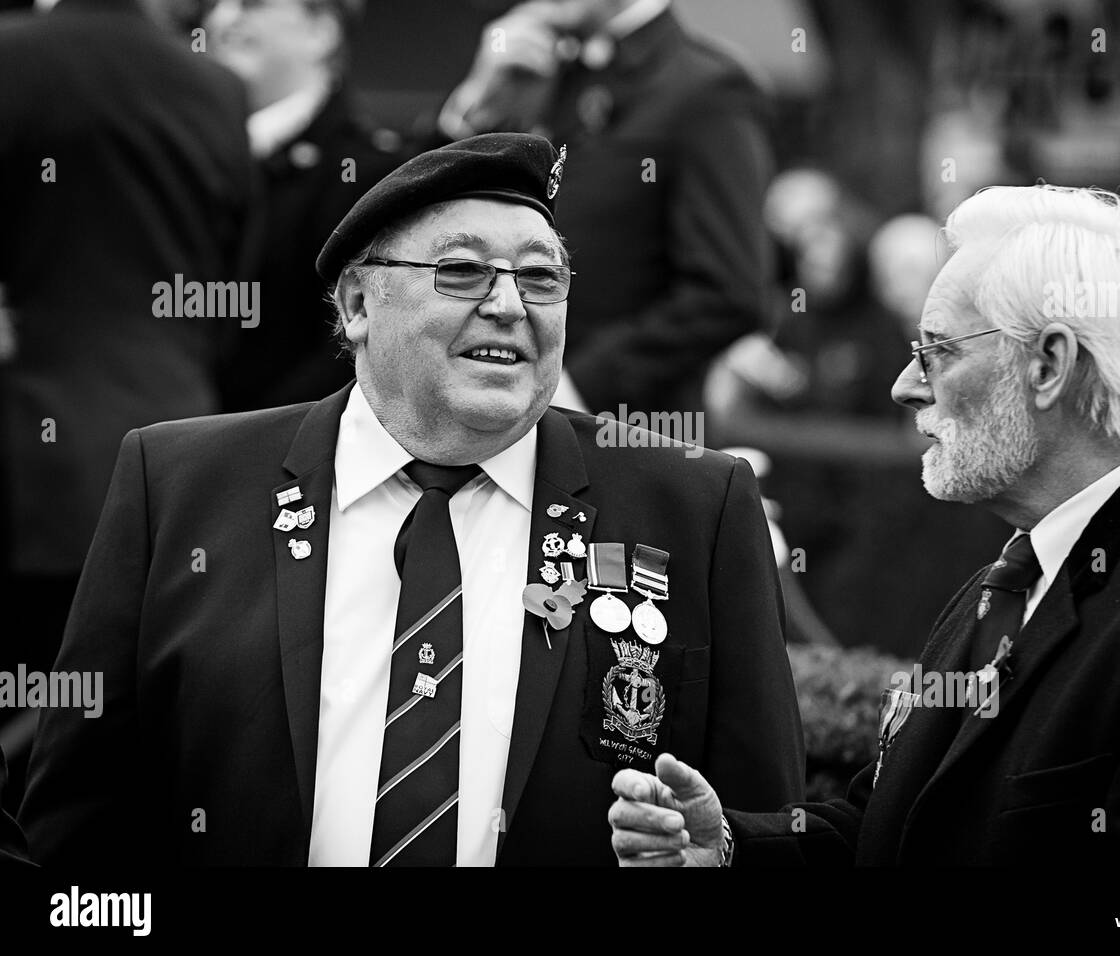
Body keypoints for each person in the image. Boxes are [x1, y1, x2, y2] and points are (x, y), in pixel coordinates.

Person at [20, 133, 804, 866]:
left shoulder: (696, 504)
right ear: (359, 305)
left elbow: (762, 825)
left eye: (540, 277)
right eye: (462, 271)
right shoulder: (179, 482)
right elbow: (78, 825)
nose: (509, 305)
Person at [608, 185, 1120, 866]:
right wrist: (725, 846)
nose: (904, 384)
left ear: (1049, 365)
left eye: (937, 350)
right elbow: (882, 829)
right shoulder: (1002, 583)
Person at [0, 0, 252, 797]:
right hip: (180, 447)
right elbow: (236, 276)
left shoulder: (14, 56)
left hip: (30, 455)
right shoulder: (215, 86)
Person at [439, 0, 774, 419]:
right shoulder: (542, 71)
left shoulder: (707, 87)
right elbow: (416, 229)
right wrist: (480, 105)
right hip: (498, 412)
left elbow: (729, 293)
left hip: (624, 436)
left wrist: (573, 385)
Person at [205, 0, 409, 412]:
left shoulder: (370, 173)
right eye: (212, 4)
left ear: (321, 31)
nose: (224, 18)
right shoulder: (184, 153)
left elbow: (350, 351)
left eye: (251, 3)